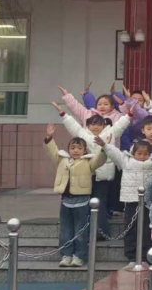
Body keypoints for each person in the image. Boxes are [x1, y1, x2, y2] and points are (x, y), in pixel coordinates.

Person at [52, 102, 131, 239]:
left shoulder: (110, 133)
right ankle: (87, 232)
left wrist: (129, 115)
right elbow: (73, 125)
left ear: (104, 125)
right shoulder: (83, 134)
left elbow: (120, 125)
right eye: (93, 124)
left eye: (99, 124)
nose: (96, 127)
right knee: (87, 204)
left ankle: (100, 233)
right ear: (87, 125)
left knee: (100, 203)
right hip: (87, 175)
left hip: (103, 176)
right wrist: (63, 113)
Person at [44, 124, 106, 267]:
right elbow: (52, 151)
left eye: (79, 148)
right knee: (65, 229)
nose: (76, 150)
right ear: (68, 149)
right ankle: (66, 255)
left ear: (85, 150)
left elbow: (100, 159)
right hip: (66, 200)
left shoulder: (88, 162)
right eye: (72, 148)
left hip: (82, 201)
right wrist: (49, 137)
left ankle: (79, 256)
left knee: (80, 230)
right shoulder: (62, 160)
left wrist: (104, 147)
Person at [99, 138, 152, 266]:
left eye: (145, 154)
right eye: (139, 154)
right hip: (131, 201)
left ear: (150, 154)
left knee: (147, 230)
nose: (142, 157)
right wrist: (105, 144)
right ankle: (131, 257)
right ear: (133, 153)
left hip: (148, 202)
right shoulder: (126, 161)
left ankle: (145, 257)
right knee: (130, 229)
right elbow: (115, 153)